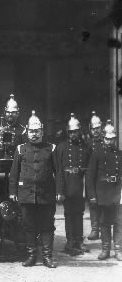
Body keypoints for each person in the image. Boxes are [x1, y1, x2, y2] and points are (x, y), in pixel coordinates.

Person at [9, 111, 62, 268]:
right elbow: (14, 173)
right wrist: (12, 192)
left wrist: (60, 192)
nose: (34, 134)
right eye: (31, 131)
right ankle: (31, 256)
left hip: (46, 194)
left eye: (37, 131)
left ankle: (47, 257)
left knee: (47, 225)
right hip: (26, 194)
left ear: (42, 131)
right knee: (29, 225)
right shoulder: (20, 149)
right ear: (27, 131)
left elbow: (58, 172)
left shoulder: (51, 148)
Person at [55, 113, 91, 256]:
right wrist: (60, 191)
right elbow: (58, 171)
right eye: (71, 132)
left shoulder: (86, 147)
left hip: (80, 184)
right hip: (67, 183)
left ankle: (79, 241)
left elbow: (89, 167)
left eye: (75, 131)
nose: (73, 134)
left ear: (79, 131)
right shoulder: (61, 147)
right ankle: (70, 241)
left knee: (79, 213)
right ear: (67, 132)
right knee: (69, 214)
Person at [87, 120, 122, 261]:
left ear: (115, 139)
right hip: (103, 192)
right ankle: (105, 249)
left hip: (117, 192)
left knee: (119, 222)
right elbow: (90, 177)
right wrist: (92, 196)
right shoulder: (97, 154)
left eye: (112, 139)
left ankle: (118, 250)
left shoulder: (120, 154)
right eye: (107, 139)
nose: (109, 141)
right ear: (103, 139)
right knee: (105, 222)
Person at [85, 110, 104, 241]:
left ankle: (104, 230)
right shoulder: (87, 144)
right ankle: (95, 229)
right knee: (92, 203)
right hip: (91, 178)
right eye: (93, 129)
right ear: (90, 129)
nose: (96, 131)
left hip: (103, 178)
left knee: (103, 203)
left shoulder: (107, 142)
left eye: (98, 128)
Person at [2, 94, 27, 158]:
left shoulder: (23, 131)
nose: (10, 114)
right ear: (5, 112)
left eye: (13, 112)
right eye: (8, 112)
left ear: (17, 113)